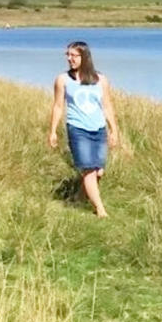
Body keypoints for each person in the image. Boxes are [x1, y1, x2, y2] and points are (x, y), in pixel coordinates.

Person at [48, 41, 120, 218]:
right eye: (68, 55)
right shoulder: (63, 80)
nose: (69, 59)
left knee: (98, 171)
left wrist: (114, 130)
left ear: (84, 57)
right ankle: (100, 210)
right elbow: (58, 106)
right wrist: (52, 131)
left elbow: (107, 106)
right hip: (77, 129)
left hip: (98, 129)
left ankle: (79, 197)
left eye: (73, 55)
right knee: (88, 169)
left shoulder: (100, 79)